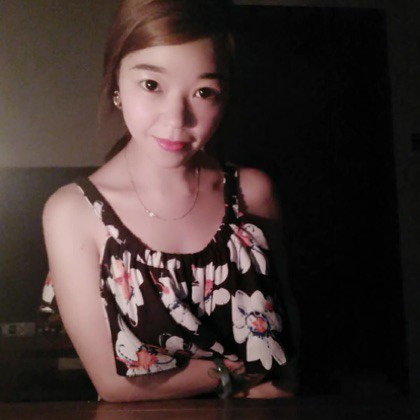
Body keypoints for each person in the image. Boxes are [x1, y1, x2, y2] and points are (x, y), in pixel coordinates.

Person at [41, 0, 297, 402]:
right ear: (116, 84)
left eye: (204, 92)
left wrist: (277, 383)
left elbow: (288, 356)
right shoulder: (73, 213)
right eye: (151, 85)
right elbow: (113, 384)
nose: (177, 118)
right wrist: (231, 371)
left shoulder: (253, 193)